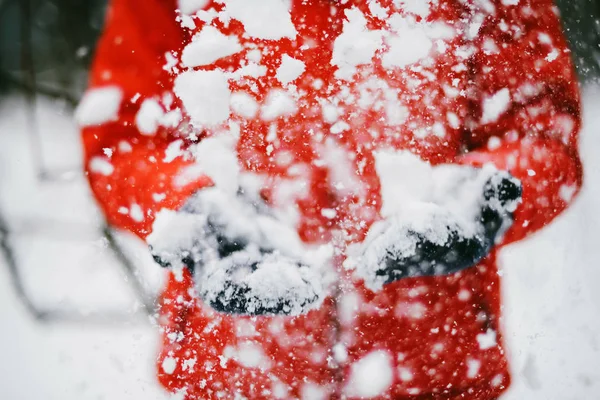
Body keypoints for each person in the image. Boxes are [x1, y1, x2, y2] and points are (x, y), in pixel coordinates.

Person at [78, 0, 582, 398]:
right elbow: (122, 143)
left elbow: (542, 131)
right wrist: (190, 202)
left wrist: (486, 193)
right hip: (235, 375)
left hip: (434, 369)